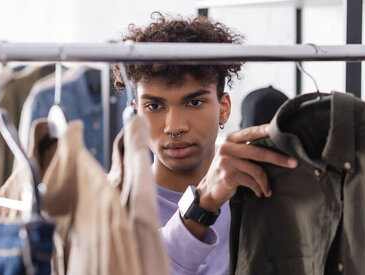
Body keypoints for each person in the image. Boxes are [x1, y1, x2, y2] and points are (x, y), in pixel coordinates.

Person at [112, 12, 298, 275]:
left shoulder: (261, 194)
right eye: (154, 106)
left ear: (223, 109)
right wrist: (204, 203)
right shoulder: (113, 206)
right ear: (136, 114)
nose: (174, 126)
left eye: (194, 103)